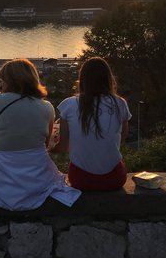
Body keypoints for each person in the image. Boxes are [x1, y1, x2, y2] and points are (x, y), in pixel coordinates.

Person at [0, 58, 81, 210]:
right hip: (36, 171)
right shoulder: (47, 107)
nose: (2, 84)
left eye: (3, 80)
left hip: (2, 169)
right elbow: (45, 144)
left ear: (10, 81)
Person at [50, 57, 132, 191]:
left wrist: (50, 148)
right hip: (114, 179)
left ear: (82, 79)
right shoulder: (120, 104)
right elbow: (122, 138)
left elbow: (64, 147)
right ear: (108, 78)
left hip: (81, 179)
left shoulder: (69, 104)